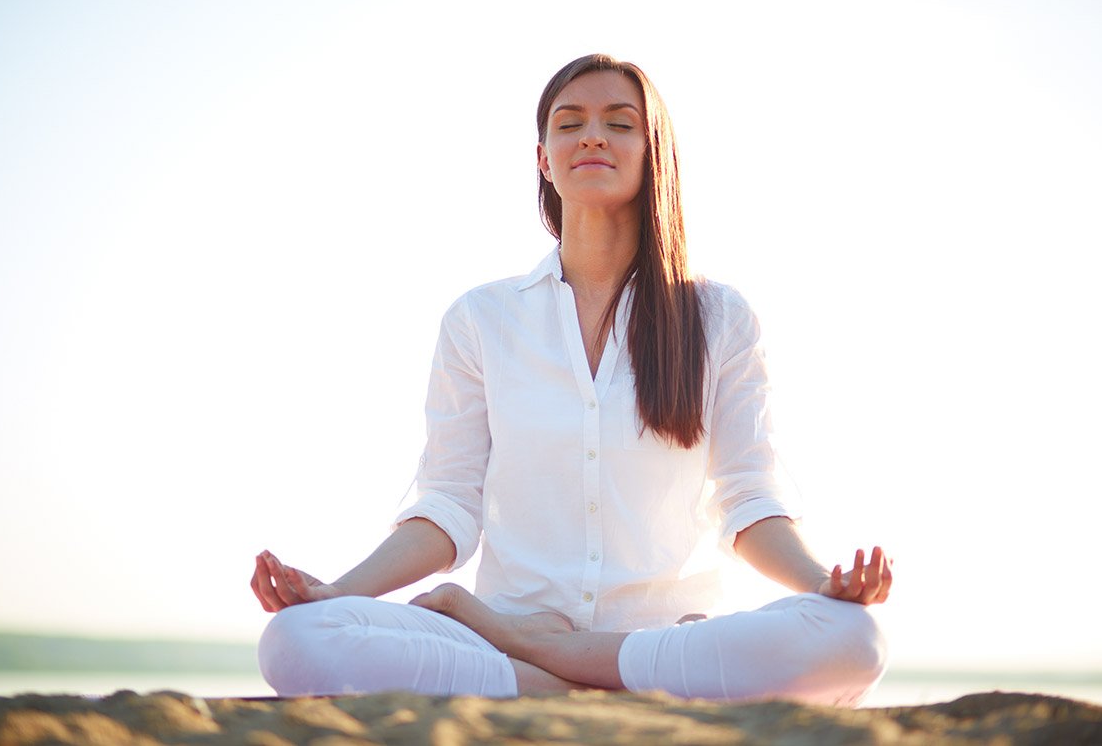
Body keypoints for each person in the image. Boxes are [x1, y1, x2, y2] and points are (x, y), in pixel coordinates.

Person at [252, 54, 891, 705]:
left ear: (654, 152)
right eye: (570, 123)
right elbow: (448, 506)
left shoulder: (718, 318)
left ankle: (548, 663)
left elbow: (748, 500)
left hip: (664, 637)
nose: (592, 136)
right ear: (543, 157)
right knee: (297, 639)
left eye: (619, 123)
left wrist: (821, 583)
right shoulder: (482, 319)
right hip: (505, 633)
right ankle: (582, 674)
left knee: (854, 639)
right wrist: (337, 591)